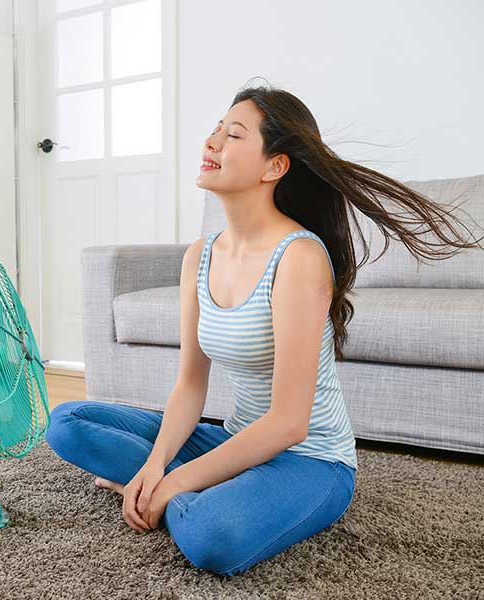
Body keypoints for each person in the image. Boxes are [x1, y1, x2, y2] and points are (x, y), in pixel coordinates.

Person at [45, 80, 484, 577]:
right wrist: (155, 464)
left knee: (212, 536)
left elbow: (289, 423)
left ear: (274, 166)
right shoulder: (199, 257)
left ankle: (179, 496)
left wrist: (173, 482)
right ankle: (177, 484)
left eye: (233, 135)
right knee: (67, 424)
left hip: (310, 460)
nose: (210, 143)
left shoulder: (298, 257)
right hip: (235, 441)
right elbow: (191, 384)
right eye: (215, 130)